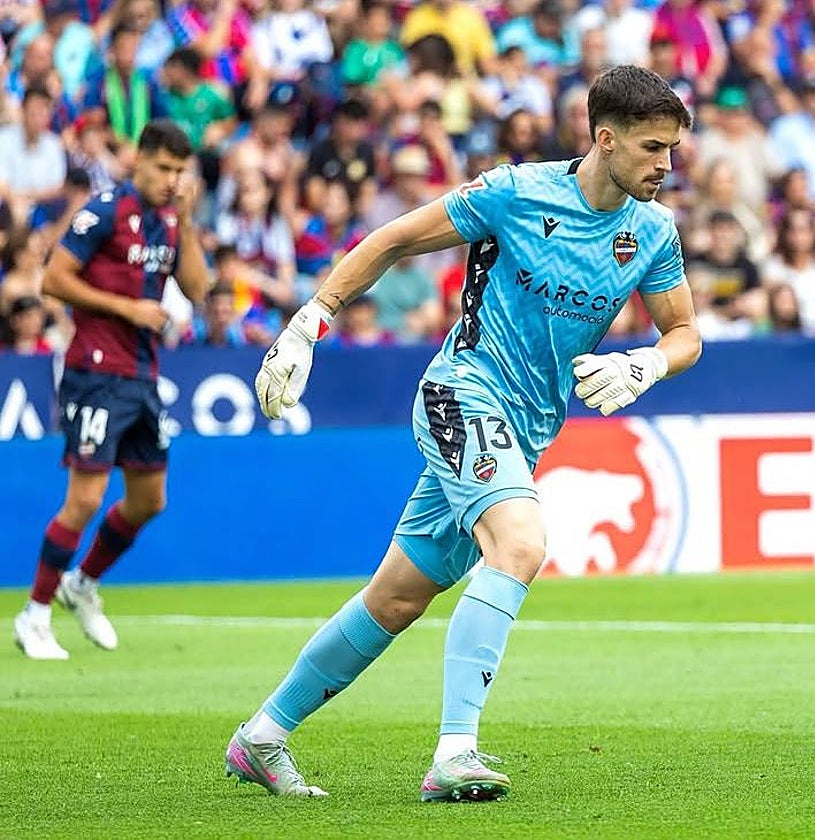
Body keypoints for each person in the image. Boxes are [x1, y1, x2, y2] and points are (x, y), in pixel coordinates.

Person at [224, 65, 700, 801]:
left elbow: (685, 333)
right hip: (462, 392)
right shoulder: (515, 193)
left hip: (527, 426)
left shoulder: (652, 230)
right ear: (605, 140)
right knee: (522, 543)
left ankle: (260, 737)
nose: (667, 165)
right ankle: (455, 752)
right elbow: (393, 240)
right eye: (652, 148)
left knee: (395, 600)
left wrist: (646, 366)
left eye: (672, 149)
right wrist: (309, 322)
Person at [12, 120, 210, 660]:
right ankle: (34, 614)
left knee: (150, 500)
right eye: (163, 168)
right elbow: (53, 280)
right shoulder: (103, 211)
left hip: (143, 375)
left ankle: (83, 583)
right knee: (86, 499)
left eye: (179, 171)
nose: (172, 180)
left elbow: (197, 288)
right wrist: (127, 308)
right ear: (140, 161)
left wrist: (187, 223)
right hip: (95, 372)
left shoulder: (171, 221)